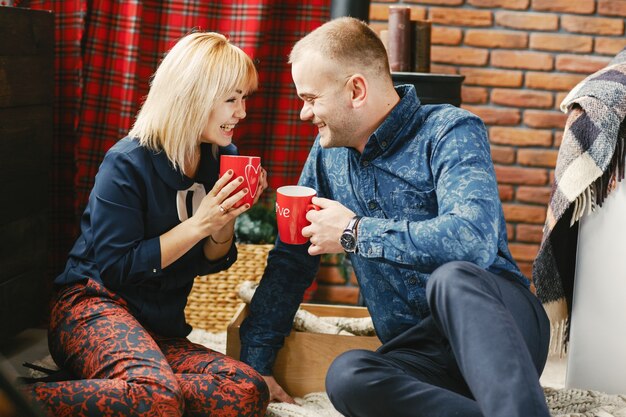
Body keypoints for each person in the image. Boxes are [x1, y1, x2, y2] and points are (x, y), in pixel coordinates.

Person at [239, 17, 551, 417]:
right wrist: (256, 368)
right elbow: (291, 260)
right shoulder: (326, 156)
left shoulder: (449, 130)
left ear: (356, 90)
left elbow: (473, 240)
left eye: (312, 99)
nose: (304, 114)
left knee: (452, 276)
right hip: (421, 354)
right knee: (348, 376)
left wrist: (354, 231)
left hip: (501, 326)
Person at [22, 32, 269, 417]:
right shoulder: (127, 161)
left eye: (244, 99)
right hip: (93, 307)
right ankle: (14, 400)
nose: (241, 112)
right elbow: (116, 267)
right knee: (155, 395)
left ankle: (130, 388)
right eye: (232, 99)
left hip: (157, 324)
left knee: (245, 389)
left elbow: (211, 260)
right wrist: (199, 224)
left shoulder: (222, 158)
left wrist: (225, 219)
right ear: (194, 96)